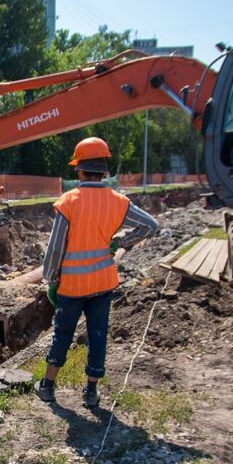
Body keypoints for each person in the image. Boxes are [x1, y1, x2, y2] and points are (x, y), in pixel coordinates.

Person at [34, 137, 159, 408]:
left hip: (72, 286)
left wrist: (51, 279)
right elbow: (151, 225)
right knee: (98, 334)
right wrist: (121, 242)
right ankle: (91, 393)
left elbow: (55, 249)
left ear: (78, 170)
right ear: (104, 171)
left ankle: (47, 387)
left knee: (63, 334)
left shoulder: (69, 201)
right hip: (103, 283)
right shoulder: (117, 201)